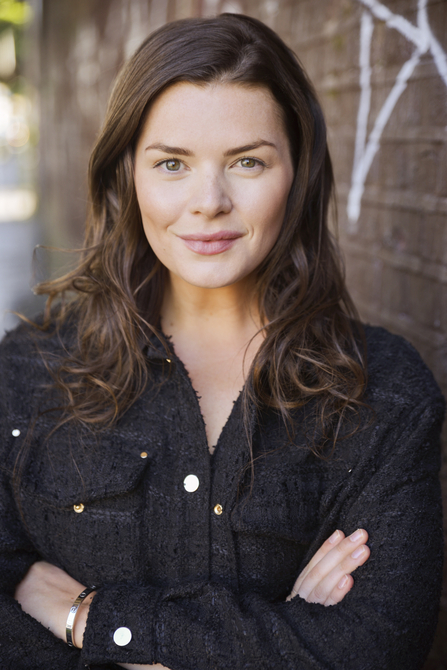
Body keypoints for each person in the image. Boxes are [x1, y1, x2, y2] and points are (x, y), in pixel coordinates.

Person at [0, 12, 444, 670]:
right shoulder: (26, 375)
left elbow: (375, 648)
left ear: (297, 172)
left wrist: (87, 620)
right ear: (128, 174)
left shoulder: (381, 393)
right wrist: (285, 636)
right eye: (172, 163)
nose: (208, 201)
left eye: (246, 161)